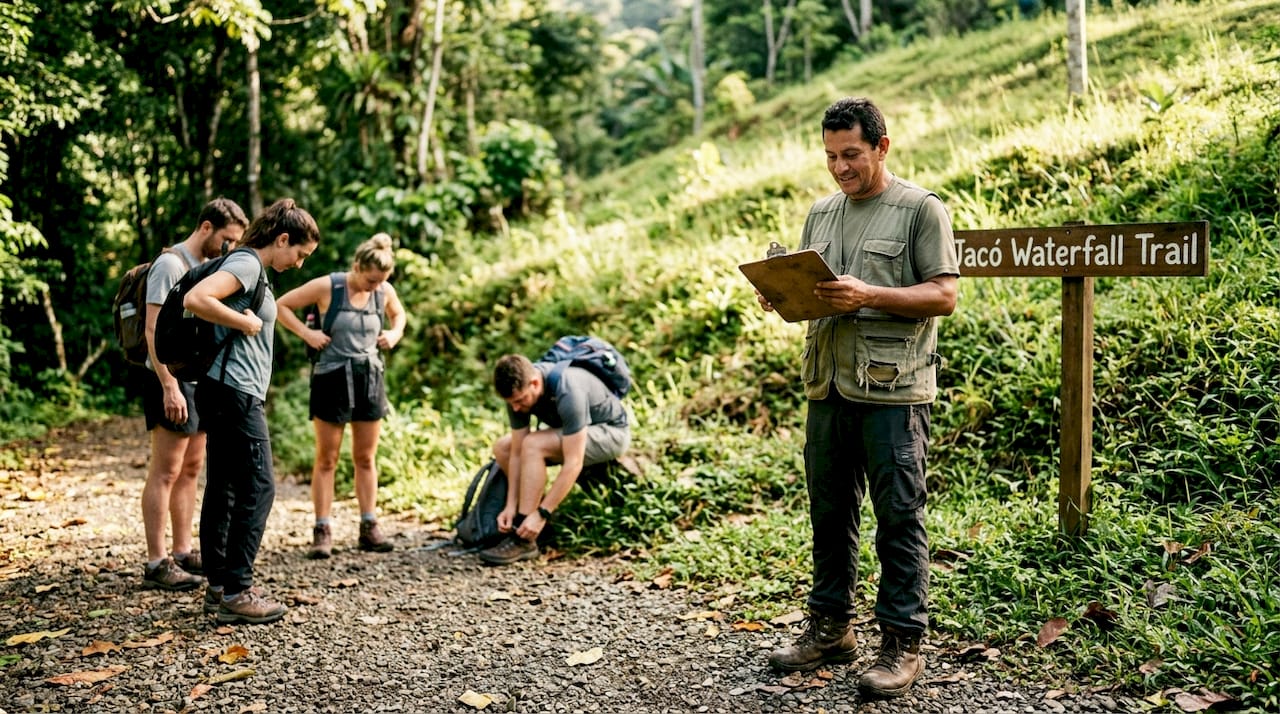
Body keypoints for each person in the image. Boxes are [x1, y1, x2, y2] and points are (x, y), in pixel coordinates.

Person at [757, 97, 959, 699]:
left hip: (894, 391)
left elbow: (944, 296)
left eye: (851, 155)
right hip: (828, 385)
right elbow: (817, 296)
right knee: (829, 511)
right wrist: (781, 295)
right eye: (830, 157)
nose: (840, 168)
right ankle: (831, 627)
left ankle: (902, 643)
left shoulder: (922, 210)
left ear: (882, 147)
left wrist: (869, 293)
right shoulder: (820, 214)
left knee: (898, 518)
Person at [184, 198, 320, 625]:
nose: (299, 263)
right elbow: (197, 297)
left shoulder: (249, 266)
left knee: (224, 487)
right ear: (282, 239)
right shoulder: (246, 265)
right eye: (299, 254)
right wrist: (245, 323)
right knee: (259, 488)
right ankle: (238, 590)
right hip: (235, 393)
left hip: (223, 390)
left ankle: (219, 586)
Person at [275, 232, 407, 559]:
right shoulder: (328, 287)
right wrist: (307, 333)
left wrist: (394, 333)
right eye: (371, 280)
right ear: (357, 266)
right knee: (327, 458)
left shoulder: (383, 290)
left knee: (365, 457)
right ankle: (322, 529)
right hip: (332, 377)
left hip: (369, 377)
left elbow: (399, 314)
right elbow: (281, 306)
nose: (375, 287)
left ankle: (369, 525)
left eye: (381, 282)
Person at [140, 197, 249, 591]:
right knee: (166, 470)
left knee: (191, 469)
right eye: (227, 239)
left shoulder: (210, 268)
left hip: (198, 380)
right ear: (206, 227)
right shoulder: (169, 265)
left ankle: (184, 550)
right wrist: (169, 385)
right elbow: (153, 331)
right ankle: (156, 561)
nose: (230, 248)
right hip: (169, 379)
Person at [477, 352, 631, 566]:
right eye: (511, 403)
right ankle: (525, 520)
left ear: (534, 382)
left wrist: (542, 513)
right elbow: (516, 453)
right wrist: (510, 505)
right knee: (504, 446)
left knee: (534, 444)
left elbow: (573, 463)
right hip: (572, 431)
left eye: (520, 401)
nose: (516, 408)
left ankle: (524, 539)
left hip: (611, 433)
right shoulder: (518, 394)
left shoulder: (569, 389)